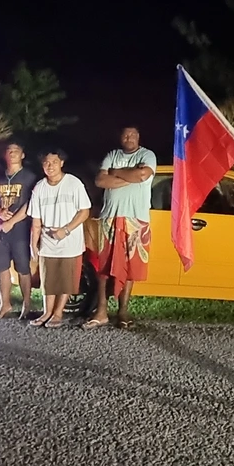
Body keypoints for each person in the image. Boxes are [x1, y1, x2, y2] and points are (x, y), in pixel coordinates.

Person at [88, 126, 156, 329]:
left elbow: (142, 176)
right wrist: (130, 176)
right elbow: (100, 180)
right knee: (103, 266)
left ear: (139, 137)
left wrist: (116, 173)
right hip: (110, 218)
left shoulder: (147, 155)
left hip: (136, 220)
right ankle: (101, 311)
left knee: (130, 266)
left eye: (133, 135)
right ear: (120, 137)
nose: (129, 138)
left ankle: (123, 311)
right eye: (126, 135)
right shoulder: (112, 155)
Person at [27, 150, 91, 328]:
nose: (50, 166)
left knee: (66, 279)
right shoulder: (39, 187)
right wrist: (33, 243)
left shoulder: (73, 183)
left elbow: (84, 211)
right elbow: (36, 220)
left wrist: (66, 230)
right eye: (46, 163)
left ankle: (58, 313)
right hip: (47, 241)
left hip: (70, 241)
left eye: (54, 162)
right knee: (48, 279)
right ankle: (47, 312)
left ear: (62, 163)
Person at [0, 141, 39, 320]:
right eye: (9, 150)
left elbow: (31, 203)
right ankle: (5, 304)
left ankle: (27, 304)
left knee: (23, 268)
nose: (12, 153)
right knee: (1, 267)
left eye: (16, 150)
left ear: (22, 155)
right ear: (4, 155)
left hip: (21, 229)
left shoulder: (30, 177)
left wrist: (12, 221)